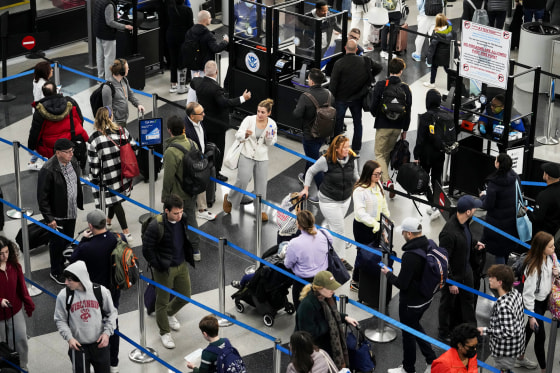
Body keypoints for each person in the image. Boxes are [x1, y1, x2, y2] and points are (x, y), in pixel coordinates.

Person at [69, 209, 122, 373]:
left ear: (90, 226)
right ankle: (113, 361)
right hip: (114, 289)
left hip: (95, 293)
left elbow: (72, 260)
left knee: (95, 324)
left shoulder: (87, 247)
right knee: (112, 323)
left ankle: (98, 358)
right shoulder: (115, 238)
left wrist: (83, 240)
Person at [382, 217, 437, 373]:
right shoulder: (430, 244)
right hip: (426, 298)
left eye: (404, 233)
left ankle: (408, 368)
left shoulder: (410, 256)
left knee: (408, 334)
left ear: (409, 234)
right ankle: (431, 359)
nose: (402, 235)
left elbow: (402, 284)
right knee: (415, 327)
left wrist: (388, 274)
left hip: (410, 303)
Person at [142, 194, 196, 349]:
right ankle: (164, 332)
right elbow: (147, 249)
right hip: (164, 269)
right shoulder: (155, 226)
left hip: (181, 265)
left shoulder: (183, 218)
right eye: (175, 213)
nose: (179, 216)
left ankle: (170, 313)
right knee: (162, 301)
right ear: (166, 211)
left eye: (181, 212)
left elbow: (184, 238)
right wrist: (157, 265)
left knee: (185, 296)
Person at [299, 135, 359, 261]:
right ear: (336, 148)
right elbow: (310, 171)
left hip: (345, 200)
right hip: (328, 200)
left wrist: (363, 186)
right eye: (344, 147)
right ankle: (340, 259)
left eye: (348, 147)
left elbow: (355, 176)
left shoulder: (352, 158)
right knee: (340, 229)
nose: (347, 150)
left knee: (335, 226)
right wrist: (306, 188)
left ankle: (323, 240)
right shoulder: (326, 160)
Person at [190, 60, 251, 181]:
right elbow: (224, 103)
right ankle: (216, 172)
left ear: (205, 71)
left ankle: (205, 168)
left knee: (205, 146)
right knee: (218, 149)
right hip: (217, 125)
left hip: (203, 123)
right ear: (216, 72)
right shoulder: (216, 89)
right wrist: (243, 98)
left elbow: (193, 82)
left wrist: (196, 77)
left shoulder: (198, 82)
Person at [54, 260, 118, 373]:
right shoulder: (63, 296)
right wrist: (69, 338)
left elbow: (112, 313)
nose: (66, 283)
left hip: (100, 345)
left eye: (70, 280)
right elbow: (60, 320)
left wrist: (107, 334)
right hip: (78, 347)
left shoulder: (101, 291)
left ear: (80, 279)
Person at [438, 195, 485, 341]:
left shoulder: (464, 223)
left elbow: (465, 238)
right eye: (474, 208)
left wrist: (474, 244)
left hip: (466, 270)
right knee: (448, 304)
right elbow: (443, 260)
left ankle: (469, 330)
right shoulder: (448, 233)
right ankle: (444, 332)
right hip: (454, 276)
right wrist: (451, 282)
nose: (476, 209)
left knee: (467, 302)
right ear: (468, 212)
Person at [37, 138, 84, 285]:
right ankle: (55, 271)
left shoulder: (73, 161)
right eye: (68, 152)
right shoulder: (48, 169)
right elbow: (42, 197)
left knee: (68, 240)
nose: (71, 154)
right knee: (56, 243)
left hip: (71, 211)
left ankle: (63, 262)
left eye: (72, 151)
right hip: (57, 215)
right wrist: (49, 218)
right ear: (58, 153)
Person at [223, 99, 277, 222]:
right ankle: (230, 198)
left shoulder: (272, 124)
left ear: (269, 113)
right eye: (258, 111)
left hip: (262, 157)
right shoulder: (249, 119)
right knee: (242, 180)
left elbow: (271, 142)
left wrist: (269, 139)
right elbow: (238, 135)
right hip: (246, 154)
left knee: (261, 185)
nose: (259, 114)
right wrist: (245, 135)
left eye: (263, 112)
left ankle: (260, 210)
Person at [88, 106, 136, 240]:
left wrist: (93, 177)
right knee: (115, 198)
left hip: (106, 177)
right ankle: (108, 220)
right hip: (122, 173)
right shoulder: (121, 130)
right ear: (111, 117)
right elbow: (134, 146)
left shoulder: (94, 139)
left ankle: (126, 231)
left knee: (114, 201)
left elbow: (94, 164)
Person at [295, 271, 358, 370]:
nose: (333, 290)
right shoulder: (307, 306)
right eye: (329, 288)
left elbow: (333, 315)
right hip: (314, 350)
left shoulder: (328, 297)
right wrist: (327, 324)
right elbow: (307, 333)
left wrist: (345, 317)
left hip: (327, 344)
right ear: (319, 288)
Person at [515, 231, 559, 371]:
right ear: (542, 248)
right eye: (551, 246)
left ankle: (519, 358)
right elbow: (527, 296)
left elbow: (555, 266)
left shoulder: (550, 256)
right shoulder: (533, 268)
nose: (554, 249)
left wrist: (556, 272)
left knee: (528, 331)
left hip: (543, 300)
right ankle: (545, 369)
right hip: (534, 304)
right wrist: (531, 316)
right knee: (540, 338)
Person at [162, 116, 202, 261]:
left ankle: (173, 249)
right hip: (191, 189)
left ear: (169, 131)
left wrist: (165, 197)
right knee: (191, 219)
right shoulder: (193, 144)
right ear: (184, 129)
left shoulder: (171, 151)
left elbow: (168, 178)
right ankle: (195, 249)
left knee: (173, 221)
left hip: (176, 195)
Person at [330, 39, 380, 152]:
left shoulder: (339, 63)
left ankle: (336, 147)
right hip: (357, 98)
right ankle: (356, 148)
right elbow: (379, 67)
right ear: (357, 49)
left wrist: (330, 101)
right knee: (358, 123)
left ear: (345, 48)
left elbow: (333, 85)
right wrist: (369, 76)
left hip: (341, 99)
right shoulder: (365, 61)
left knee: (338, 124)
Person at [371, 57, 412, 196]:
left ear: (390, 69)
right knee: (387, 153)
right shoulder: (405, 88)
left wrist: (375, 114)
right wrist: (405, 129)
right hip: (398, 126)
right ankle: (383, 180)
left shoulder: (382, 84)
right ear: (401, 71)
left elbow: (374, 104)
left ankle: (387, 181)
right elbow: (408, 110)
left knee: (379, 153)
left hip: (383, 124)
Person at [477, 264, 525, 373]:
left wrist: (484, 330)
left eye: (492, 277)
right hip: (515, 345)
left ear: (500, 282)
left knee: (503, 370)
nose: (489, 279)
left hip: (505, 351)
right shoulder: (515, 293)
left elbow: (507, 332)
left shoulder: (503, 306)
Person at [351, 160, 389, 291]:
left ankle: (368, 277)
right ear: (368, 174)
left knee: (373, 253)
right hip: (363, 227)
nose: (379, 177)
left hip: (377, 225)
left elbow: (383, 204)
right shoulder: (360, 191)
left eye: (380, 174)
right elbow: (360, 213)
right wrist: (374, 224)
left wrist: (387, 220)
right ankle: (355, 281)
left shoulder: (378, 184)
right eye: (376, 174)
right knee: (362, 253)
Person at [293, 68, 332, 193]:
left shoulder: (305, 97)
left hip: (310, 134)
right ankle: (305, 177)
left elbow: (297, 114)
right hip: (324, 132)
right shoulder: (329, 94)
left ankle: (322, 192)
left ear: (311, 82)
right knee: (312, 155)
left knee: (315, 161)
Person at [28, 81, 88, 162]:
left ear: (44, 93)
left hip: (52, 148)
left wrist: (31, 148)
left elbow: (35, 132)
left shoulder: (40, 111)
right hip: (71, 142)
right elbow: (80, 120)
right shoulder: (70, 103)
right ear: (56, 90)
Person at [0, 236, 35, 371]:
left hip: (15, 311)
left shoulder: (14, 266)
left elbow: (22, 287)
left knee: (21, 339)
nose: (5, 256)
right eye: (1, 253)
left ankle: (22, 367)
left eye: (7, 252)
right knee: (1, 344)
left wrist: (28, 303)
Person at [284, 210, 331, 309]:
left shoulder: (294, 243)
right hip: (323, 279)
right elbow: (329, 248)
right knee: (323, 309)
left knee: (302, 311)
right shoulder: (325, 234)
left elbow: (287, 264)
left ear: (298, 225)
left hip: (302, 283)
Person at [479, 154, 520, 264]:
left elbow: (488, 205)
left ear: (498, 164)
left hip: (496, 224)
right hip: (511, 221)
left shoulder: (494, 183)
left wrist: (483, 196)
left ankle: (500, 277)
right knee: (505, 249)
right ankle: (504, 273)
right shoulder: (515, 177)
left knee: (499, 252)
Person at [414, 88, 448, 219]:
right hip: (440, 153)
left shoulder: (425, 117)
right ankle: (438, 205)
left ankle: (433, 203)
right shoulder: (444, 116)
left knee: (424, 178)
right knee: (436, 179)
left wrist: (416, 155)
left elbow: (420, 139)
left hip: (426, 155)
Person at [184, 102, 217, 221]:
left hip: (200, 157)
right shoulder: (186, 129)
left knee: (200, 182)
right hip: (192, 161)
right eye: (201, 113)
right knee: (198, 182)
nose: (204, 114)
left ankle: (201, 208)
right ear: (192, 116)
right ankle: (201, 210)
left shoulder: (199, 122)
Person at [93, 0, 133, 79]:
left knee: (100, 56)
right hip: (107, 35)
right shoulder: (109, 5)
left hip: (98, 32)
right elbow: (110, 22)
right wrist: (124, 26)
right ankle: (109, 80)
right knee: (109, 58)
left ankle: (100, 78)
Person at [184, 10, 229, 77]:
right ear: (205, 19)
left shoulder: (189, 32)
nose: (211, 19)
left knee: (195, 84)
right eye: (209, 18)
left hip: (193, 65)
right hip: (204, 67)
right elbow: (216, 48)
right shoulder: (208, 35)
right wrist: (225, 41)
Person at [102, 58, 145, 126]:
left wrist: (138, 104)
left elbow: (130, 94)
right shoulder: (107, 88)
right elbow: (108, 111)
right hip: (115, 124)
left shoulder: (124, 80)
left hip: (123, 120)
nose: (128, 69)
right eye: (127, 68)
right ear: (121, 71)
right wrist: (114, 126)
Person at [29, 61, 54, 169]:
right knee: (44, 139)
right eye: (50, 69)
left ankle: (33, 162)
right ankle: (40, 162)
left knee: (40, 138)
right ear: (45, 72)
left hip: (37, 112)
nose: (52, 70)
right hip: (43, 114)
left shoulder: (36, 81)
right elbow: (47, 99)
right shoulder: (44, 85)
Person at [166, 0, 193, 93]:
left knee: (173, 60)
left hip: (171, 36)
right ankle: (182, 85)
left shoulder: (170, 9)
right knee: (183, 60)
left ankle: (173, 84)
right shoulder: (188, 10)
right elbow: (190, 26)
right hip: (183, 37)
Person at [424, 13, 457, 89]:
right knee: (447, 69)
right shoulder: (451, 30)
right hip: (447, 55)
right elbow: (454, 43)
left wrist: (429, 58)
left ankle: (432, 83)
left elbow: (432, 47)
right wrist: (455, 54)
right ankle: (455, 81)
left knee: (434, 68)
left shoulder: (436, 33)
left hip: (437, 56)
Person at [528, 162, 560, 239]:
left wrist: (527, 212)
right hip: (556, 233)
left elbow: (537, 218)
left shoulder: (544, 195)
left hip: (544, 236)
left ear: (547, 176)